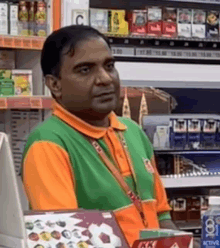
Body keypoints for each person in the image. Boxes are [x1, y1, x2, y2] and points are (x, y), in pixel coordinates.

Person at [22, 25, 197, 247]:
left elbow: (162, 218)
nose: (105, 79)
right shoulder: (48, 144)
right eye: (85, 70)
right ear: (55, 85)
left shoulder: (132, 131)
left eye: (109, 66)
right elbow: (66, 241)